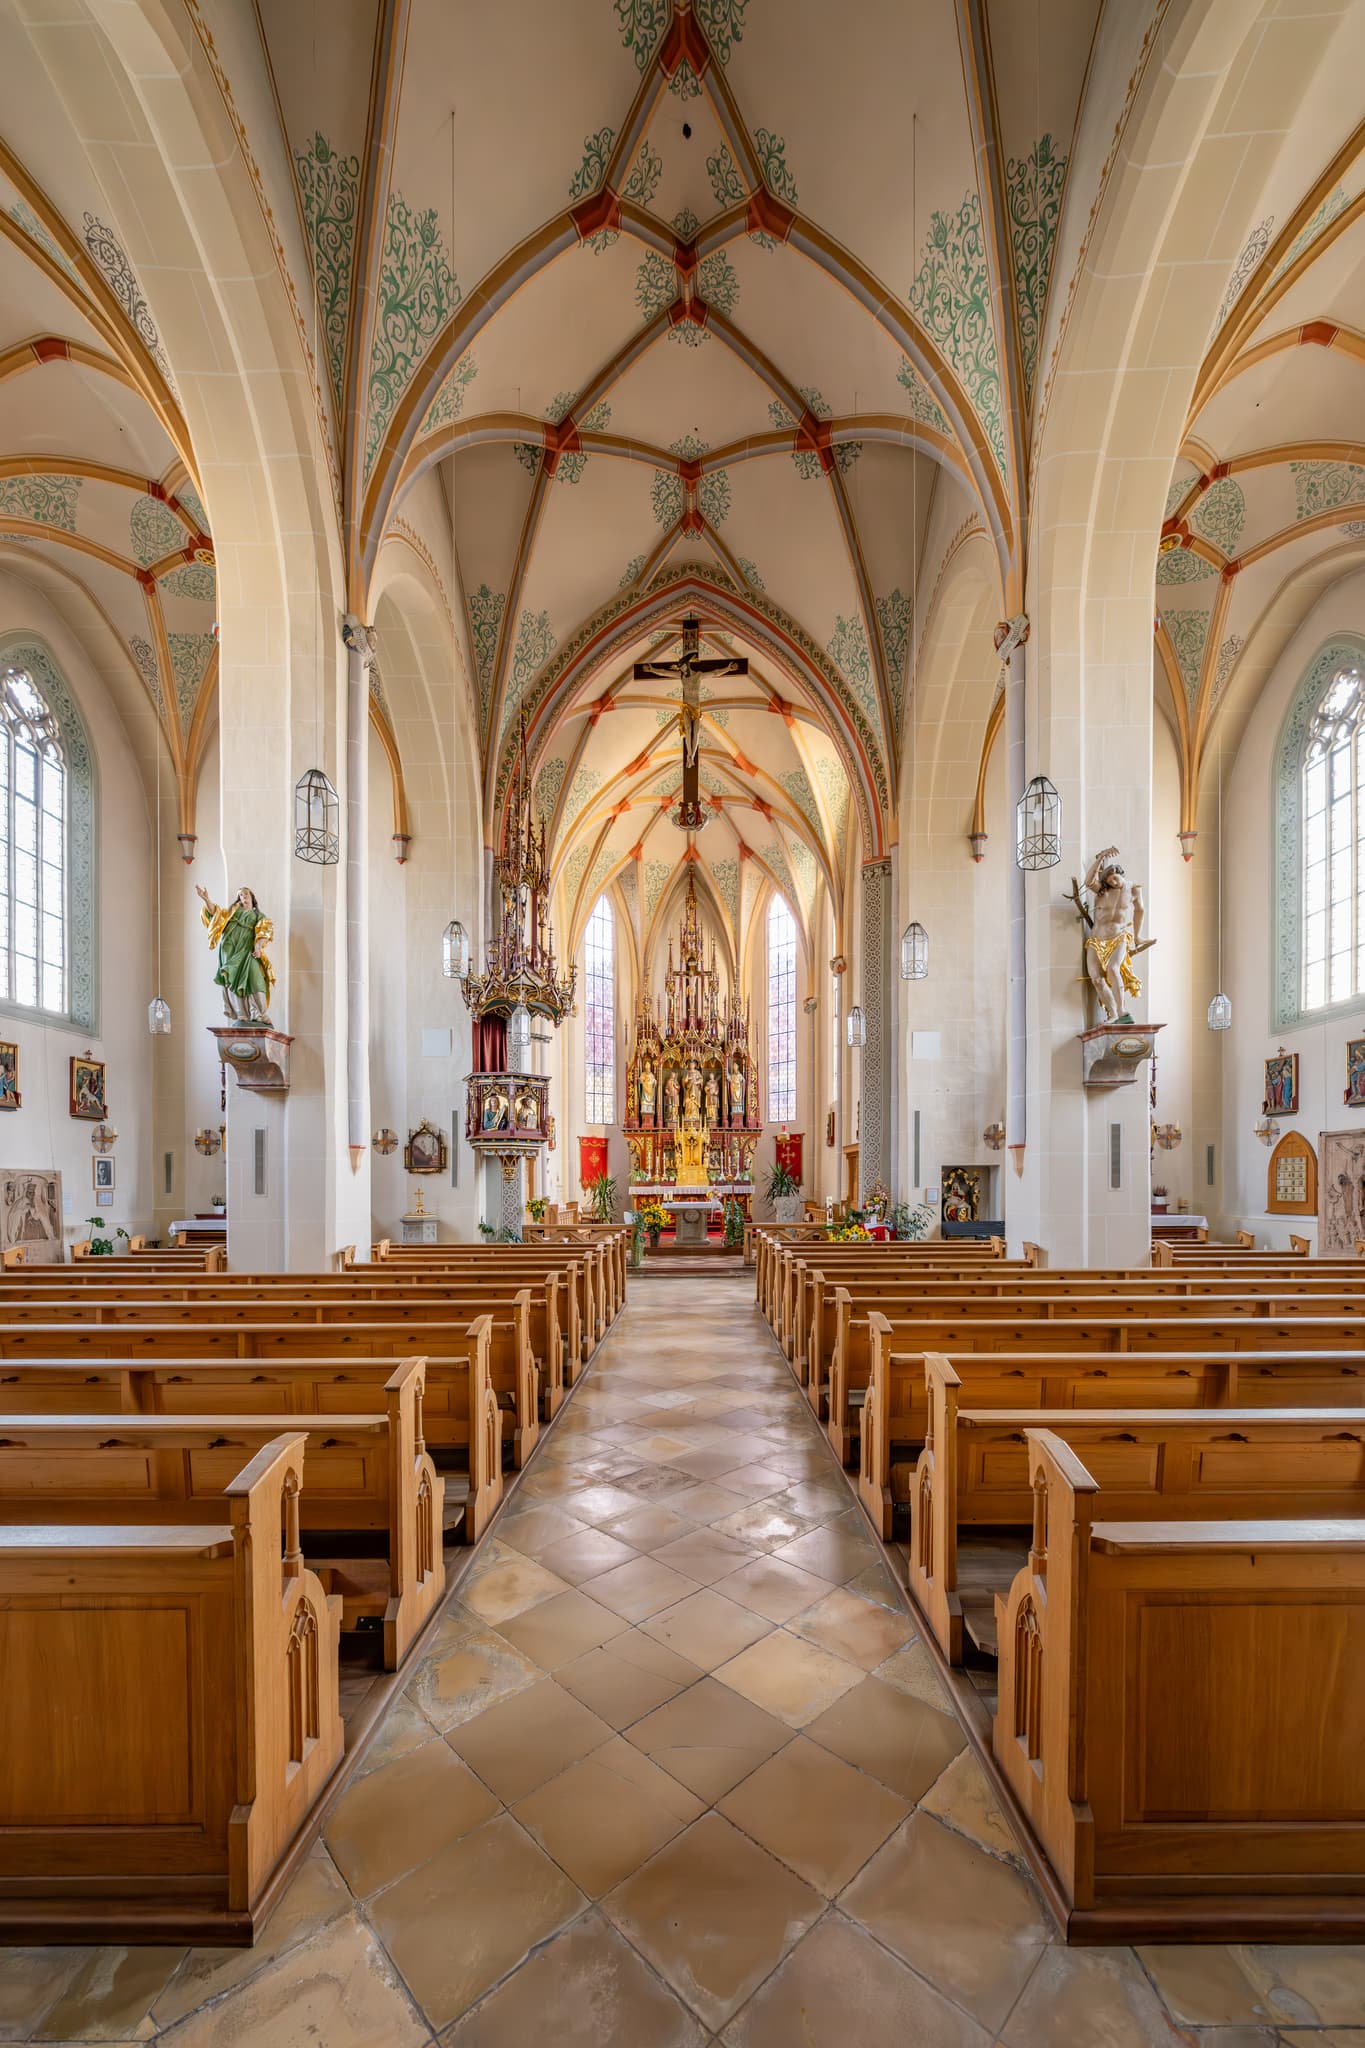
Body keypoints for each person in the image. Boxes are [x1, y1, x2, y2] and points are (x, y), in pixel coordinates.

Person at [1081, 846, 1145, 1023]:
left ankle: (1123, 1010)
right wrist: (1101, 857)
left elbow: (1140, 911)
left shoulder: (1134, 889)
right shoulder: (1102, 890)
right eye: (1109, 881)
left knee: (1113, 968)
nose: (1114, 883)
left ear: (1121, 874)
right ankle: (1113, 1014)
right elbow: (1087, 882)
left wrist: (1138, 936)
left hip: (1118, 937)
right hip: (1096, 939)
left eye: (1115, 879)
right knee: (1097, 980)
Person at [196, 884, 275, 1023]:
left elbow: (263, 932)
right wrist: (206, 899)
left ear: (251, 897)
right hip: (229, 948)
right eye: (240, 895)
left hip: (247, 950)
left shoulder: (259, 916)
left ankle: (258, 1013)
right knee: (232, 979)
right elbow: (215, 914)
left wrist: (257, 947)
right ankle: (241, 1013)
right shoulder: (231, 912)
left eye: (246, 894)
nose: (243, 896)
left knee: (256, 979)